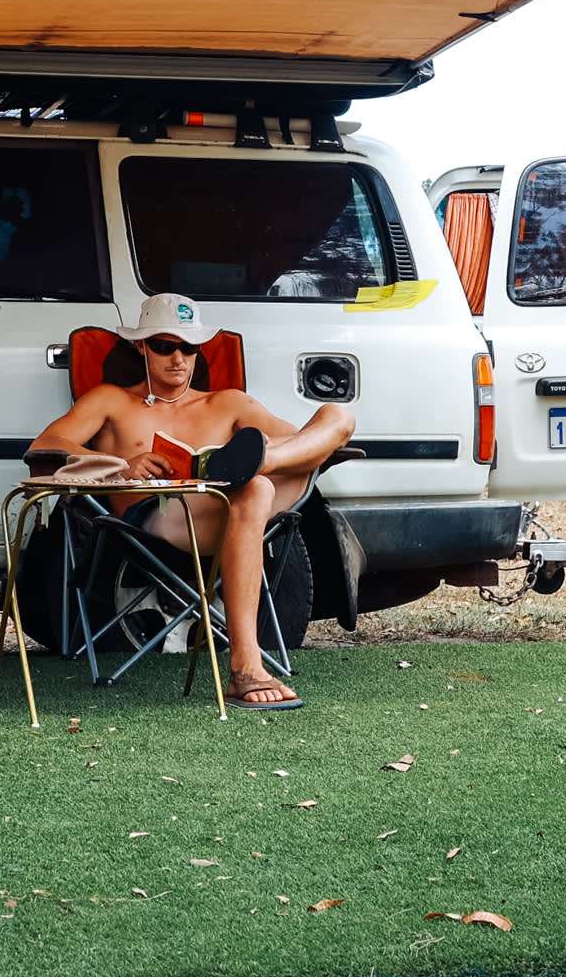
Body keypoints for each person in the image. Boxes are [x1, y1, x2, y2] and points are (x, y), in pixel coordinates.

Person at [27, 291, 354, 710]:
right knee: (257, 487)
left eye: (189, 347)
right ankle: (245, 667)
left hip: (234, 512)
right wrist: (121, 463)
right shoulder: (111, 400)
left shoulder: (227, 402)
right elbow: (48, 443)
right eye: (164, 346)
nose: (177, 358)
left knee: (335, 418)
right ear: (140, 345)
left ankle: (260, 460)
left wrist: (271, 457)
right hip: (156, 519)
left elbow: (307, 439)